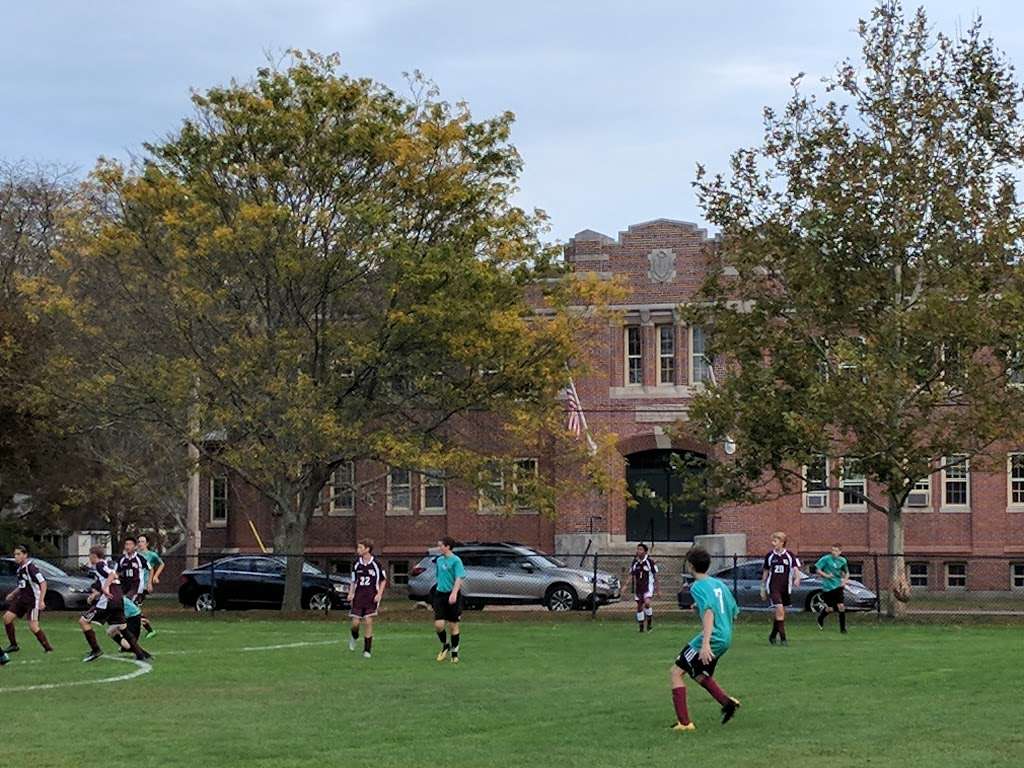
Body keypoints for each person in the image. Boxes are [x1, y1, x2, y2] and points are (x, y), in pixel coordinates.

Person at [669, 546, 741, 732]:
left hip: (712, 637)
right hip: (725, 636)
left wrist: (706, 643)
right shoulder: (719, 584)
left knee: (676, 672)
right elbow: (733, 612)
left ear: (690, 566)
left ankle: (685, 724)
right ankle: (727, 703)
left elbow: (708, 612)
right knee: (698, 673)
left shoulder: (697, 586)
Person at [79, 546, 150, 663]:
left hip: (109, 600)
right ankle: (140, 654)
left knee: (83, 621)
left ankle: (96, 650)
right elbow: (112, 576)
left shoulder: (100, 565)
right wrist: (98, 592)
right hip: (118, 599)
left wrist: (105, 588)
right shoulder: (104, 565)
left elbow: (112, 574)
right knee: (122, 627)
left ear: (94, 556)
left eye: (89, 555)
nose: (89, 558)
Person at [2, 544, 54, 654]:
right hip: (22, 600)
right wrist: (13, 594)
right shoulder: (20, 569)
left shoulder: (31, 568)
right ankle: (13, 645)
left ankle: (48, 648)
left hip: (33, 601)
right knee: (7, 618)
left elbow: (43, 583)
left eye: (18, 554)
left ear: (25, 555)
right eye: (15, 554)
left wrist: (41, 600)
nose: (16, 556)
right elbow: (23, 585)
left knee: (33, 626)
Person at [760, 531, 802, 645]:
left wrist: (797, 578)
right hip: (773, 587)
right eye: (773, 541)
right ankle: (783, 639)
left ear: (782, 542)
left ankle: (773, 635)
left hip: (785, 588)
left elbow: (795, 568)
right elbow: (766, 571)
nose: (773, 543)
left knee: (781, 613)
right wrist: (762, 587)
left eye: (775, 541)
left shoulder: (789, 555)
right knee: (779, 609)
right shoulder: (770, 556)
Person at [347, 540, 387, 658]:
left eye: (360, 548)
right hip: (358, 597)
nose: (358, 550)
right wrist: (351, 593)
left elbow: (383, 580)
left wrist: (379, 594)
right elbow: (354, 581)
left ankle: (367, 650)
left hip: (371, 597)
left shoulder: (376, 564)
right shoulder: (356, 564)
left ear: (367, 549)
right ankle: (354, 636)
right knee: (355, 623)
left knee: (368, 621)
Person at [432, 536, 465, 664]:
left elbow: (459, 578)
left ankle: (454, 653)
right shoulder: (439, 560)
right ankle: (445, 645)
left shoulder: (456, 560)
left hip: (453, 595)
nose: (439, 548)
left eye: (441, 545)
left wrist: (454, 593)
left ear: (448, 547)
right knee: (439, 625)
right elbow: (439, 576)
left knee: (453, 625)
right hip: (440, 595)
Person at [815, 543, 849, 633]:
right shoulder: (826, 559)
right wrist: (826, 575)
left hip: (838, 586)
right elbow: (817, 570)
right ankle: (820, 618)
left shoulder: (843, 561)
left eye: (836, 551)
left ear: (840, 552)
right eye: (833, 550)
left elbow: (846, 573)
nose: (834, 552)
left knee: (841, 606)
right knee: (830, 608)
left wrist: (844, 581)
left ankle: (843, 629)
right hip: (828, 587)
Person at [137, 534, 164, 637]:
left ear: (147, 543)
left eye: (142, 541)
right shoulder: (135, 555)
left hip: (143, 585)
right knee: (135, 607)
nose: (140, 544)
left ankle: (148, 629)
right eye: (139, 541)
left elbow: (159, 565)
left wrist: (154, 578)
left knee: (135, 607)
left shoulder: (151, 555)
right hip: (135, 585)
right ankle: (147, 630)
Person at [629, 543, 658, 632]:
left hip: (648, 585)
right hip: (639, 586)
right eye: (638, 549)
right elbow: (631, 574)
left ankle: (649, 623)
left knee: (647, 603)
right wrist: (626, 586)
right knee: (639, 606)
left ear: (645, 552)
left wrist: (658, 589)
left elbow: (655, 575)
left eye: (641, 549)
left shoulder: (649, 562)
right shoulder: (635, 562)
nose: (638, 551)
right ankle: (641, 627)